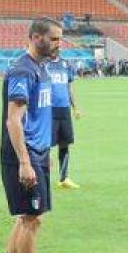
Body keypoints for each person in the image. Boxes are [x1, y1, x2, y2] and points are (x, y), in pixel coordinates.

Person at [0, 18, 62, 253]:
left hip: (36, 152)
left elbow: (37, 117)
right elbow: (14, 119)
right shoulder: (24, 70)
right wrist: (25, 162)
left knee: (25, 217)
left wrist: (43, 153)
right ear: (36, 37)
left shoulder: (41, 68)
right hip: (23, 155)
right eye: (55, 39)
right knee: (32, 220)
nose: (58, 44)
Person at [45, 48, 81, 189]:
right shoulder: (43, 64)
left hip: (64, 109)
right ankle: (42, 178)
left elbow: (69, 87)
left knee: (65, 143)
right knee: (45, 145)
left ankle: (63, 178)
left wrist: (75, 107)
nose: (54, 50)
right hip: (48, 109)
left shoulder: (65, 64)